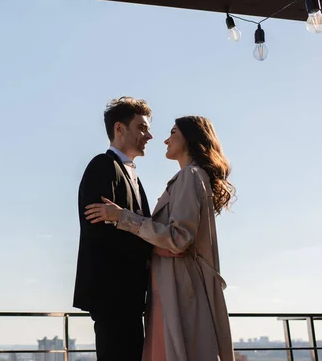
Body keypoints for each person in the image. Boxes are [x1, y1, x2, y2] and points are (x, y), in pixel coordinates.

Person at [85, 116, 236, 361]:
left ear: (189, 138)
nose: (165, 139)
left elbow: (179, 238)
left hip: (177, 287)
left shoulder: (189, 176)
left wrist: (123, 217)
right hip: (172, 284)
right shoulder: (189, 178)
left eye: (173, 132)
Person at [73, 97, 154, 361]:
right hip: (113, 294)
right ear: (119, 129)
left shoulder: (134, 176)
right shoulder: (102, 166)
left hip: (131, 296)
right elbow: (101, 233)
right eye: (142, 127)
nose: (149, 135)